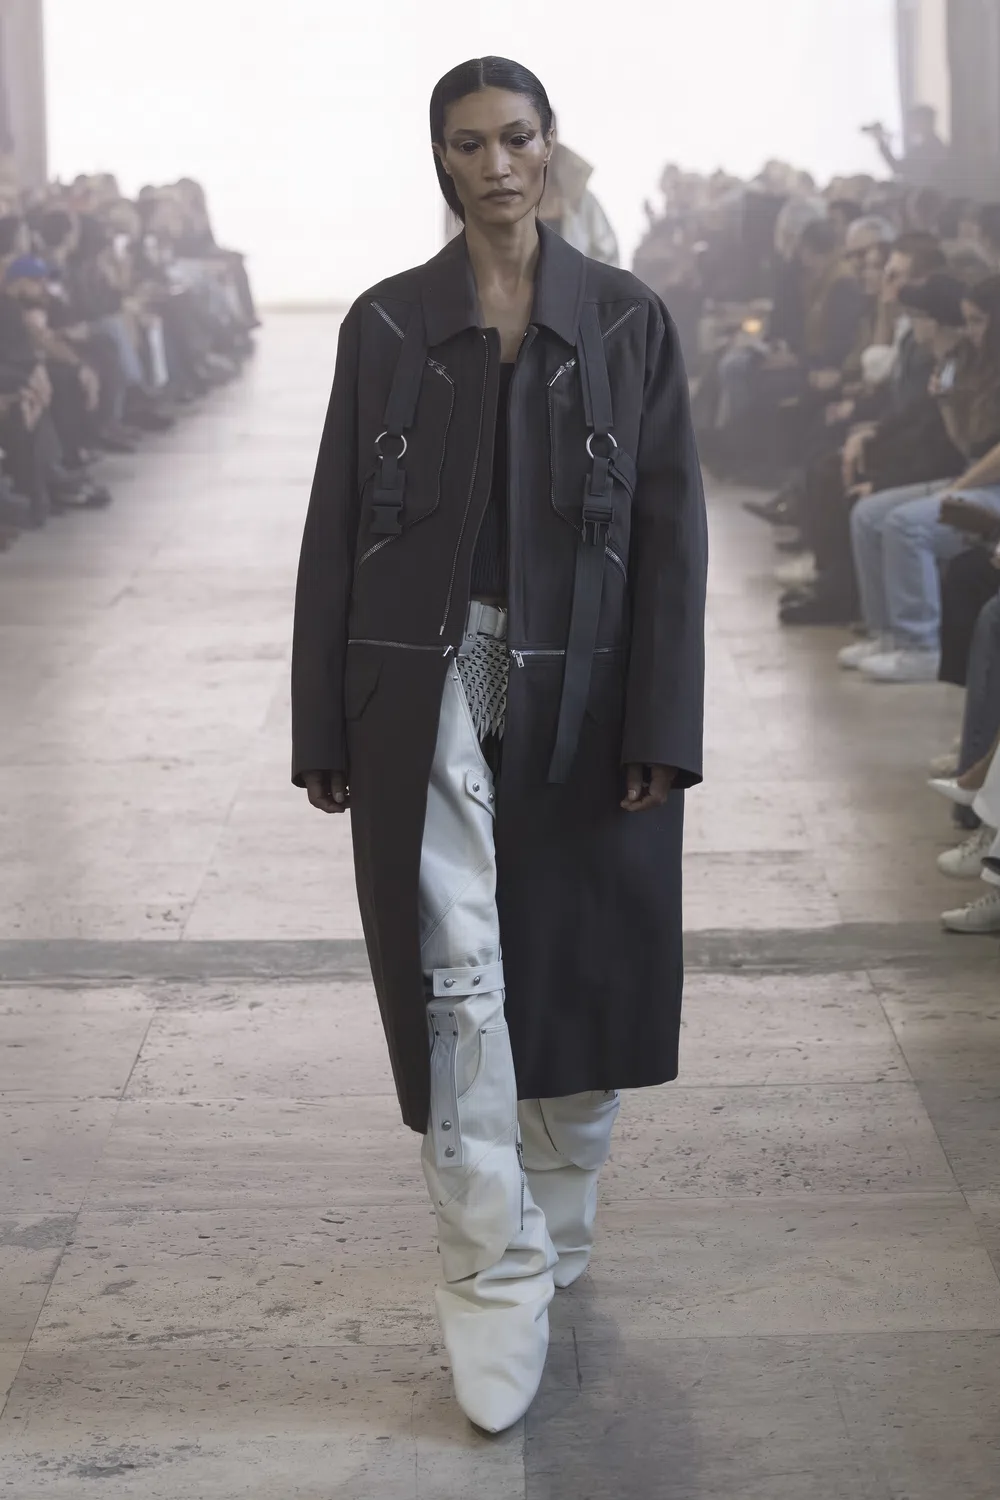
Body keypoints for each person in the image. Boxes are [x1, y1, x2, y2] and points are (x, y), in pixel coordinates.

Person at [290, 54, 706, 1434]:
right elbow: (336, 524)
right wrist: (320, 718)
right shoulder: (387, 323)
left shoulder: (629, 319)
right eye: (467, 143)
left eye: (515, 138)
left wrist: (665, 724)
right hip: (423, 682)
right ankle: (489, 1262)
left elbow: (672, 539)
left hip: (591, 690)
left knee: (581, 965)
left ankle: (559, 1196)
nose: (494, 165)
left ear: (548, 145)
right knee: (455, 978)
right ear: (441, 158)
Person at [842, 275, 1000, 682]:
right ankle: (886, 634)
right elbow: (968, 445)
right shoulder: (976, 364)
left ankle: (920, 646)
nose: (970, 331)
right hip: (973, 478)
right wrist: (946, 404)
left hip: (989, 488)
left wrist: (957, 489)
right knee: (868, 514)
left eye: (978, 321)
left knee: (907, 525)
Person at [538, 124, 618, 264]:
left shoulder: (582, 201)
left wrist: (586, 276)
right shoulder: (510, 198)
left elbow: (608, 253)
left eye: (547, 134)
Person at [863, 106, 951, 190]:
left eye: (913, 121)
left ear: (924, 122)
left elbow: (898, 168)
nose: (910, 125)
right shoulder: (934, 144)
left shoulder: (925, 148)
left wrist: (881, 142)